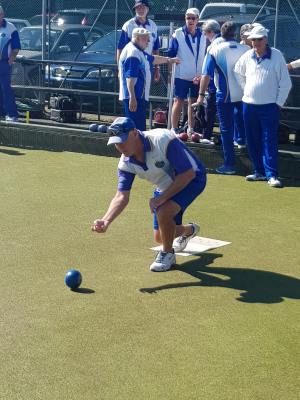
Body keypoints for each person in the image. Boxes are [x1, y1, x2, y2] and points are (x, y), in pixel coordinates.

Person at [92, 117, 207, 272]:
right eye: (116, 143)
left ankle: (167, 254)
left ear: (134, 133)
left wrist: (160, 199)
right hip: (165, 185)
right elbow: (121, 196)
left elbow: (187, 174)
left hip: (193, 178)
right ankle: (189, 231)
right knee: (161, 237)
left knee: (163, 211)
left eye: (123, 141)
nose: (120, 146)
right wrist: (106, 221)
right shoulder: (125, 163)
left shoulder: (162, 139)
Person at [234, 25, 292, 188]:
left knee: (269, 140)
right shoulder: (247, 55)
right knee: (252, 140)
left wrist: (278, 103)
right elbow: (237, 71)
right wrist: (246, 90)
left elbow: (285, 83)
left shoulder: (277, 56)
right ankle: (258, 171)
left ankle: (272, 175)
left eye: (259, 39)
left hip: (269, 107)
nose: (256, 42)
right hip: (249, 106)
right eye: (253, 39)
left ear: (265, 39)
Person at [193, 22, 248, 174]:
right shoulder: (246, 49)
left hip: (224, 95)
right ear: (235, 34)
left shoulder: (214, 50)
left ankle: (229, 165)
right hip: (245, 94)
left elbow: (206, 75)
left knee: (226, 129)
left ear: (221, 34)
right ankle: (243, 143)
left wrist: (200, 97)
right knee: (243, 122)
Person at [119, 27, 179, 131]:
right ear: (138, 38)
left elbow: (153, 59)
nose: (149, 41)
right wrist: (132, 97)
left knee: (140, 128)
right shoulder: (133, 53)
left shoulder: (138, 51)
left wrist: (170, 60)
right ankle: (135, 147)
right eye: (146, 38)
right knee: (135, 129)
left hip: (139, 96)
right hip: (135, 96)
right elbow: (130, 78)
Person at [167, 7, 207, 136]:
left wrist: (202, 74)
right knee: (178, 100)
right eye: (188, 17)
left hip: (197, 76)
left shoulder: (203, 35)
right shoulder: (178, 33)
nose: (190, 20)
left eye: (193, 18)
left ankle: (191, 128)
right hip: (181, 74)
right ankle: (174, 128)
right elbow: (171, 55)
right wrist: (169, 73)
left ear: (198, 19)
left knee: (193, 101)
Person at [117, 0, 161, 82]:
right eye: (138, 7)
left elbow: (155, 49)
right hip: (131, 65)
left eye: (143, 7)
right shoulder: (128, 25)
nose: (140, 9)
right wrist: (119, 69)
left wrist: (157, 68)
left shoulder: (153, 26)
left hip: (147, 66)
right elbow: (120, 48)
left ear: (148, 9)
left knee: (145, 92)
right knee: (129, 93)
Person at [200, 19, 221, 142]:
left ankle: (206, 135)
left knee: (210, 110)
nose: (204, 36)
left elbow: (207, 71)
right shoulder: (226, 41)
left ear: (210, 32)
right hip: (229, 86)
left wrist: (201, 94)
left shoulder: (213, 46)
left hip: (215, 85)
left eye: (205, 33)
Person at [0, 5, 21, 122]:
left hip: (3, 64)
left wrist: (9, 61)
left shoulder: (10, 28)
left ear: (2, 15)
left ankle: (12, 114)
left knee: (6, 89)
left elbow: (16, 47)